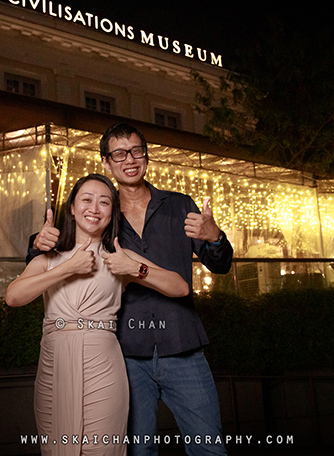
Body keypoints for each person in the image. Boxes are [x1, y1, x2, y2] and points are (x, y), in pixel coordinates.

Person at [32, 124, 233, 456]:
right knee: (139, 453)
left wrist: (215, 237)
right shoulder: (100, 216)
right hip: (126, 354)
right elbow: (56, 250)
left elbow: (220, 265)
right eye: (119, 154)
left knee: (210, 449)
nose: (129, 159)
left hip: (182, 347)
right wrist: (36, 243)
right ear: (106, 162)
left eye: (137, 151)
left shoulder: (179, 205)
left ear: (146, 156)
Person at [7, 174, 188, 456]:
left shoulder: (118, 257)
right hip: (54, 363)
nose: (94, 208)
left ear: (112, 213)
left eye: (104, 202)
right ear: (71, 208)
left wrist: (134, 268)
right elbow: (13, 297)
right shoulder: (47, 258)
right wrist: (67, 267)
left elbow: (180, 288)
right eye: (86, 200)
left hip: (102, 364)